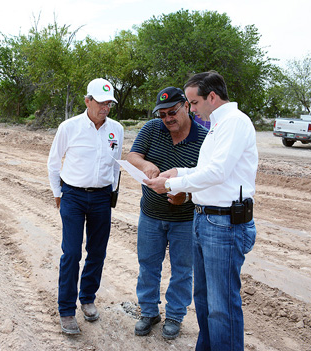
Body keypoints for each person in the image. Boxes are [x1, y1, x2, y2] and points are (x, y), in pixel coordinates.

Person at [145, 71, 258, 350]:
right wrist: (180, 172)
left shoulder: (234, 123)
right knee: (206, 301)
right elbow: (207, 170)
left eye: (193, 103)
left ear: (211, 97)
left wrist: (171, 183)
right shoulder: (219, 125)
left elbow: (217, 172)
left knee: (222, 306)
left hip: (225, 224)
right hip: (207, 219)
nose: (191, 109)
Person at [127, 86, 207, 340]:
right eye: (162, 115)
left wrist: (187, 195)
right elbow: (132, 156)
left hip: (185, 219)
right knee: (148, 265)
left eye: (172, 112)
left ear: (186, 105)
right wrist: (145, 163)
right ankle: (149, 312)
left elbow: (208, 180)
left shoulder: (205, 138)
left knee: (183, 269)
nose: (167, 119)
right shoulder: (152, 128)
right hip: (150, 214)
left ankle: (174, 315)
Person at [47, 78, 124, 335]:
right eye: (101, 103)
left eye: (109, 103)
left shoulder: (117, 129)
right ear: (87, 101)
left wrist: (112, 192)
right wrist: (59, 194)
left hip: (102, 197)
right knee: (71, 253)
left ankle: (87, 297)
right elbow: (53, 162)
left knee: (97, 251)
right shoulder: (69, 127)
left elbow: (115, 165)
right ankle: (66, 310)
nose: (106, 108)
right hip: (73, 196)